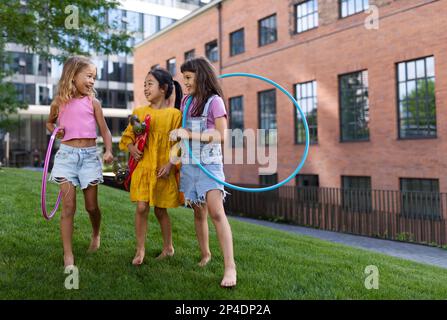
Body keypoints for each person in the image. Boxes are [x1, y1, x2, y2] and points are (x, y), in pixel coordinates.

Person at [170, 57, 237, 288]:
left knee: (217, 213)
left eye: (188, 78)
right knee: (198, 212)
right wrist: (179, 140)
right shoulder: (187, 101)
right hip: (190, 164)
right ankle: (206, 254)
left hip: (209, 165)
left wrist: (188, 134)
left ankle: (230, 267)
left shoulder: (215, 101)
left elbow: (220, 136)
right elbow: (186, 130)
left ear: (200, 75)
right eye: (183, 78)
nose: (185, 83)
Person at [46, 56, 113, 267]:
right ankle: (68, 255)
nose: (92, 81)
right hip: (66, 157)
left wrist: (109, 150)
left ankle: (96, 234)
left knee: (92, 206)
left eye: (95, 77)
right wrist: (56, 132)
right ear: (73, 75)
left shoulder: (93, 103)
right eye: (89, 76)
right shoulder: (59, 102)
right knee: (68, 207)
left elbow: (105, 130)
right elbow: (49, 123)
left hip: (89, 157)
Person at [119, 67, 183, 265]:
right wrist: (131, 148)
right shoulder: (139, 112)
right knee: (141, 207)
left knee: (160, 210)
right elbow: (127, 136)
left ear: (163, 88)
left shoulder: (174, 115)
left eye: (149, 84)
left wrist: (170, 163)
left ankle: (168, 247)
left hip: (162, 170)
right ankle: (140, 250)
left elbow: (179, 144)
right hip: (144, 167)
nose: (145, 88)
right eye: (144, 84)